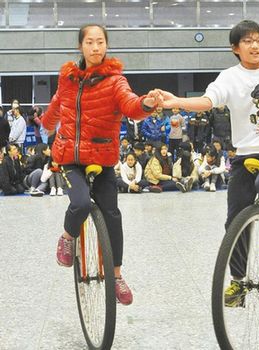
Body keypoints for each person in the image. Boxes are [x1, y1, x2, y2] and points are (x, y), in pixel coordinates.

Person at [157, 20, 259, 303]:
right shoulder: (229, 77)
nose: (255, 46)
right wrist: (177, 102)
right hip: (245, 154)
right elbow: (208, 101)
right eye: (248, 41)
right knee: (234, 221)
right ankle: (238, 282)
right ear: (235, 48)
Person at [41, 24, 160, 305]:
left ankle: (116, 275)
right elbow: (58, 103)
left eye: (100, 42)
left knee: (112, 215)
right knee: (80, 203)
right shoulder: (68, 77)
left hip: (103, 158)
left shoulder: (115, 81)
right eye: (90, 42)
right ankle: (68, 236)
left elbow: (130, 105)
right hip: (69, 158)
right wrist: (46, 124)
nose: (96, 47)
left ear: (106, 45)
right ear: (80, 46)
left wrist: (146, 104)